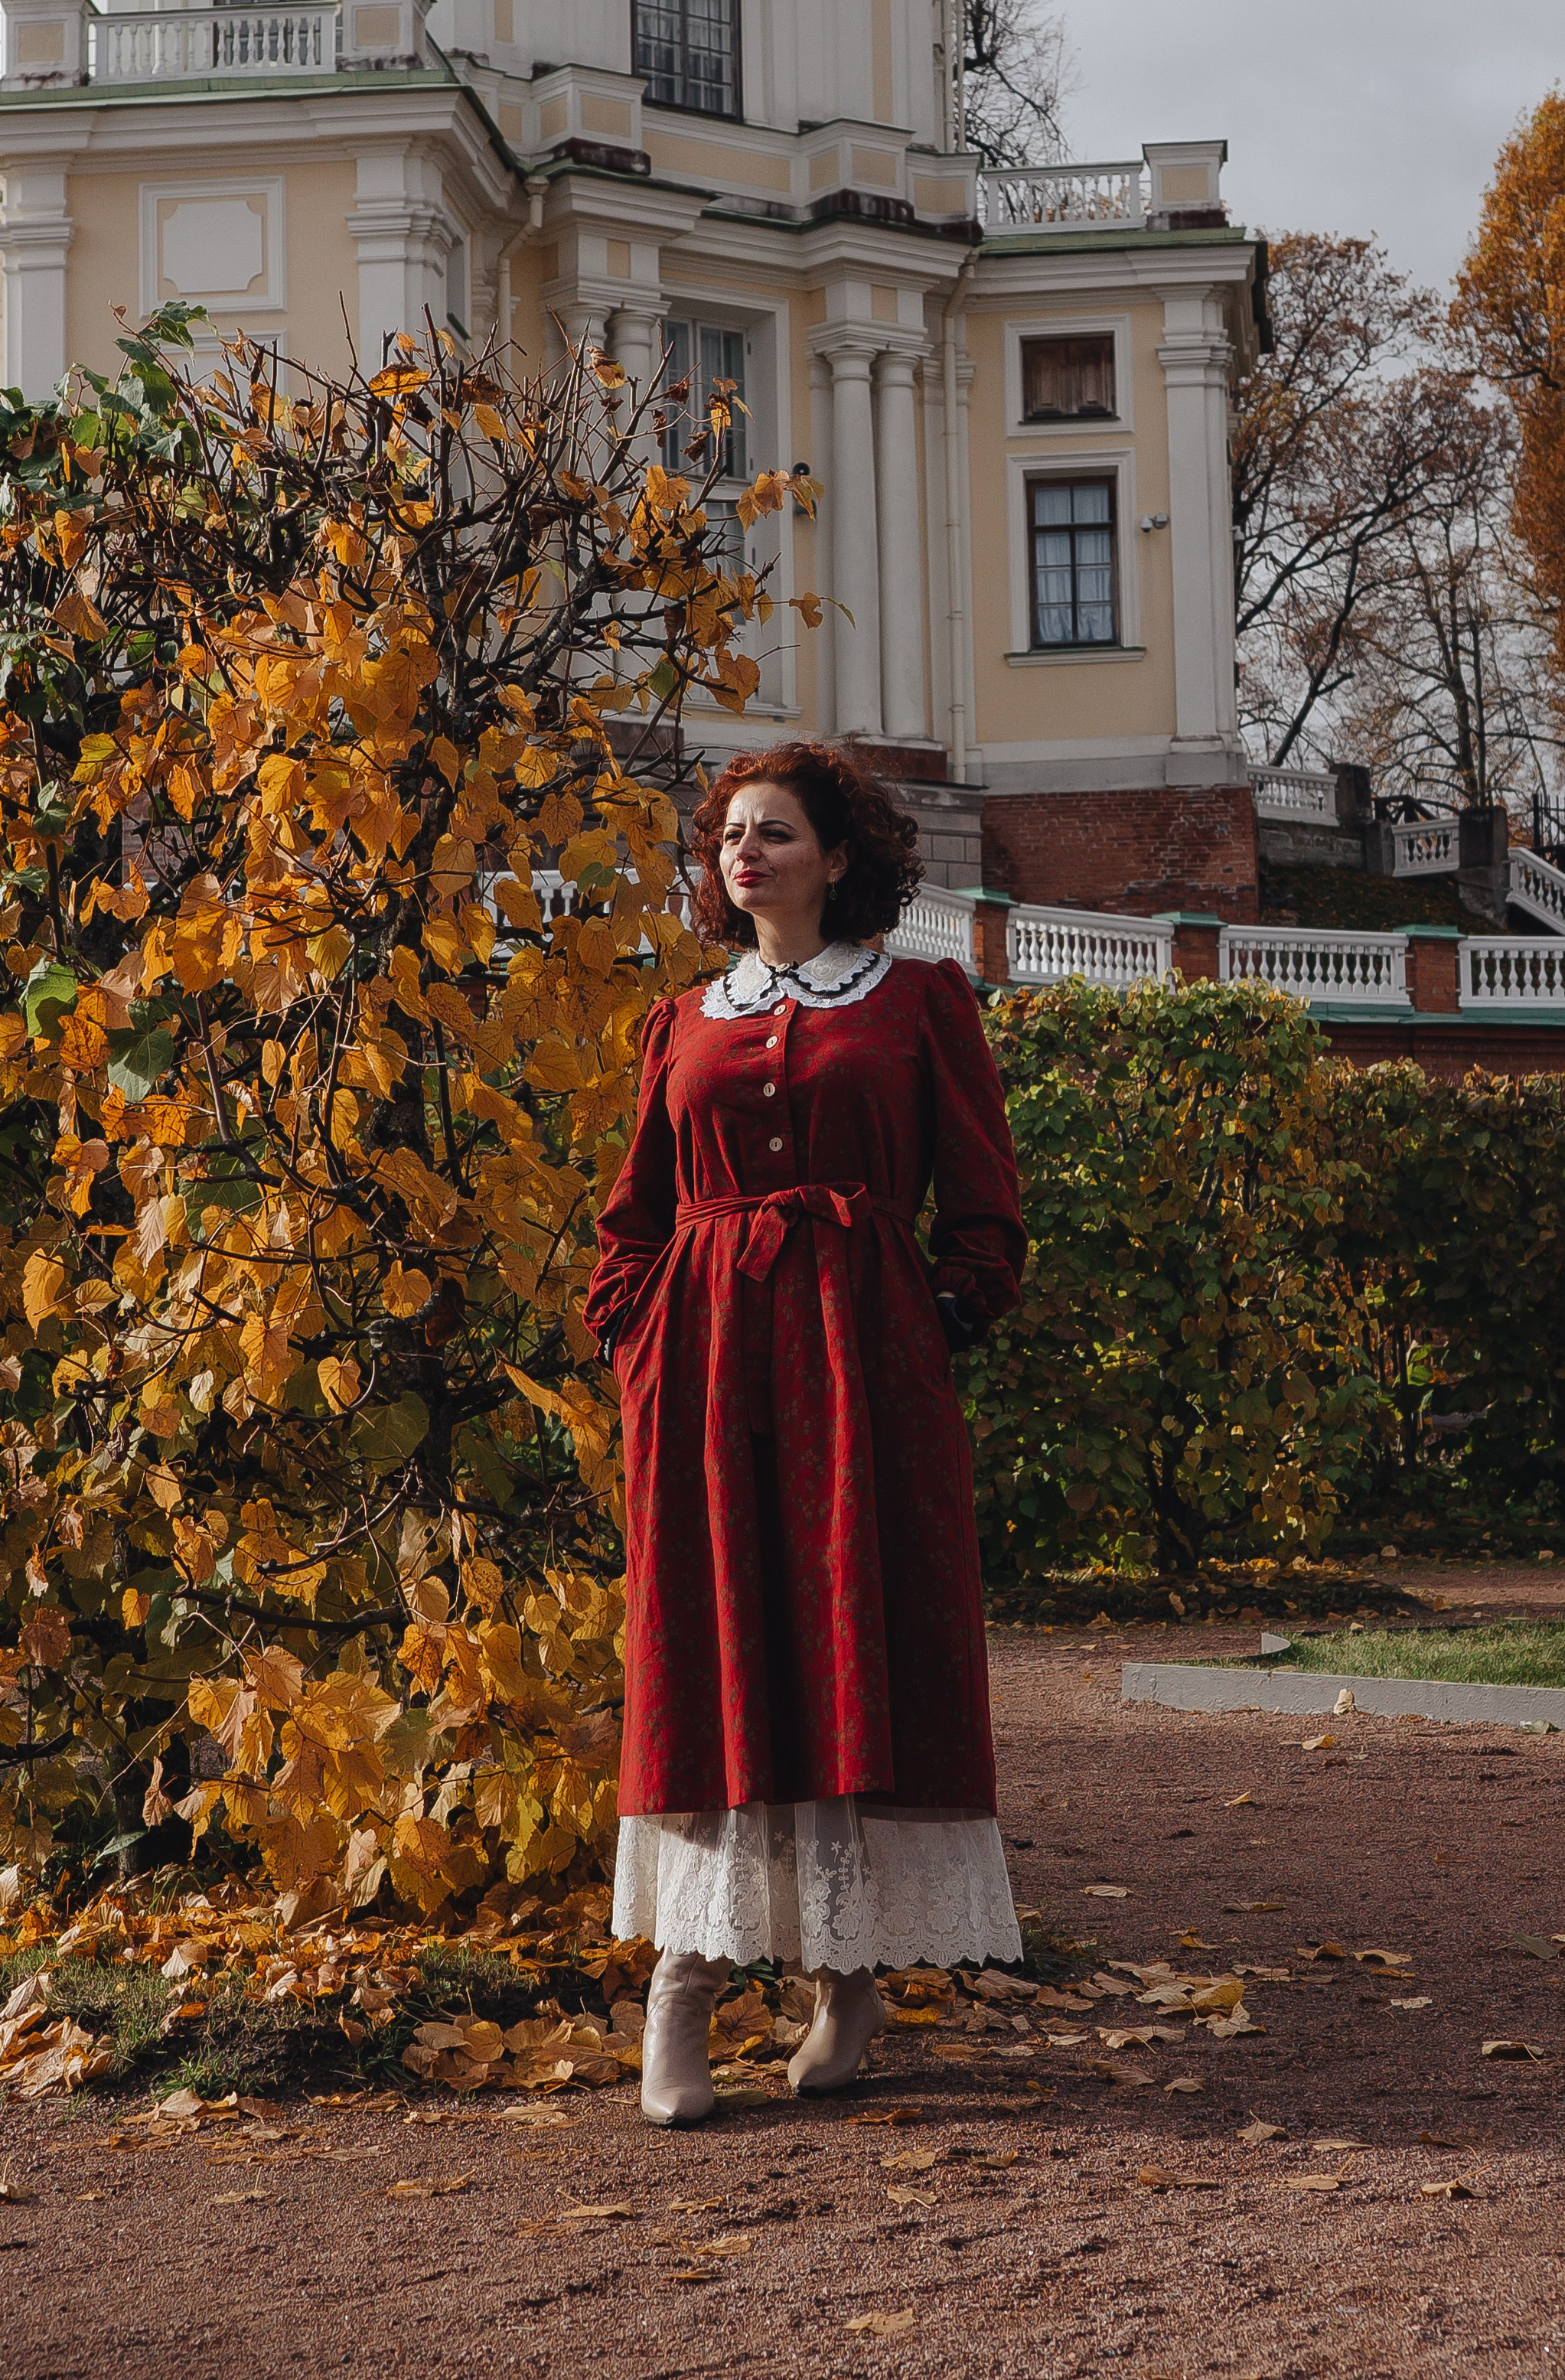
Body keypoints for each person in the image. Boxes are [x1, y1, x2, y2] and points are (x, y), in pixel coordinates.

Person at [587, 743, 1028, 2127]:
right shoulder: (682, 1021)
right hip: (708, 1372)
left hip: (863, 1367)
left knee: (851, 1637)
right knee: (716, 1642)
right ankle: (688, 1983)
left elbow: (984, 1203)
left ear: (840, 857)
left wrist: (929, 1321)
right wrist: (637, 1333)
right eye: (729, 834)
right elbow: (635, 1215)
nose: (745, 852)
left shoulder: (917, 1002)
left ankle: (847, 1978)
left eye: (774, 832)